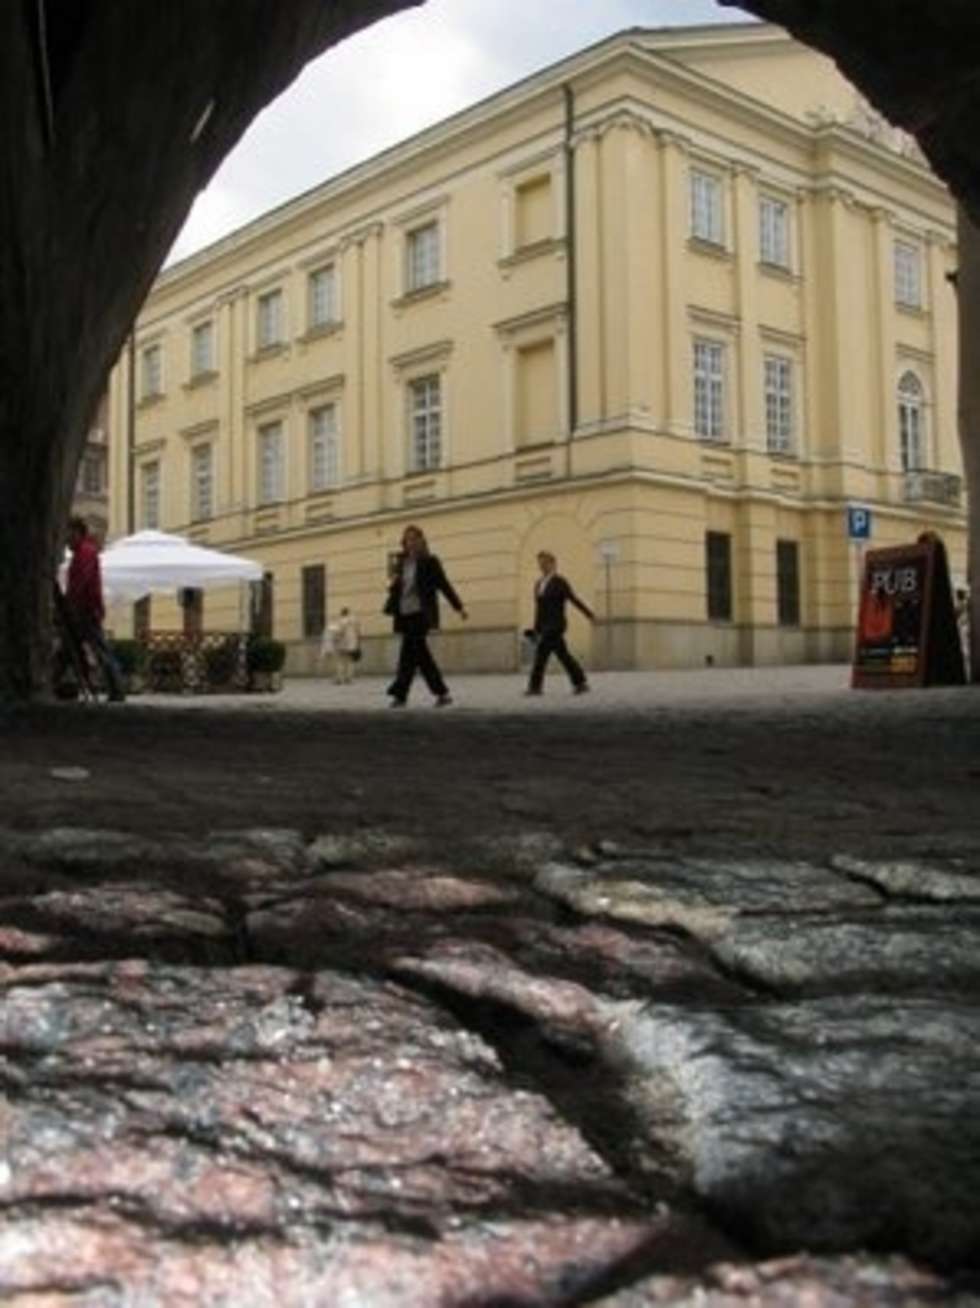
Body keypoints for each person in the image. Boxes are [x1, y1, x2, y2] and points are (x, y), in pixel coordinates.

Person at [385, 525, 467, 706]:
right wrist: (392, 584)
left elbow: (444, 585)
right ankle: (441, 693)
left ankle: (400, 694)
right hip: (404, 614)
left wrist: (458, 607)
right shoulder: (402, 562)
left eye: (414, 538)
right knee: (419, 655)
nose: (410, 542)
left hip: (420, 614)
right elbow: (397, 588)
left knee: (409, 654)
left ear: (422, 540)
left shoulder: (430, 561)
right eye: (407, 539)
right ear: (404, 542)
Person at [64, 516, 126, 702]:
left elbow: (80, 582)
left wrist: (69, 602)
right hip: (81, 610)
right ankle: (62, 683)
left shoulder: (86, 552)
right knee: (69, 649)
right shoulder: (81, 553)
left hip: (86, 611)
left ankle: (116, 690)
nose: (66, 538)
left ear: (78, 532)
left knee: (100, 651)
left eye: (69, 533)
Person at [525, 550, 594, 696]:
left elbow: (573, 599)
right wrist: (536, 629)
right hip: (545, 627)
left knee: (541, 656)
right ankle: (580, 683)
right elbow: (539, 609)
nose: (542, 566)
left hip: (556, 625)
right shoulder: (538, 584)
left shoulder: (560, 582)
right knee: (563, 655)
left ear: (553, 564)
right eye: (540, 563)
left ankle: (535, 687)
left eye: (545, 563)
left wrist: (589, 614)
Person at [324, 606, 361, 684]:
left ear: (342, 613)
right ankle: (349, 678)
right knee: (350, 661)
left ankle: (340, 679)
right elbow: (358, 633)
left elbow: (339, 632)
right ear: (348, 613)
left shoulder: (341, 622)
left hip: (342, 644)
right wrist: (357, 643)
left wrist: (334, 639)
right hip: (352, 645)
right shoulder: (355, 622)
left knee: (340, 662)